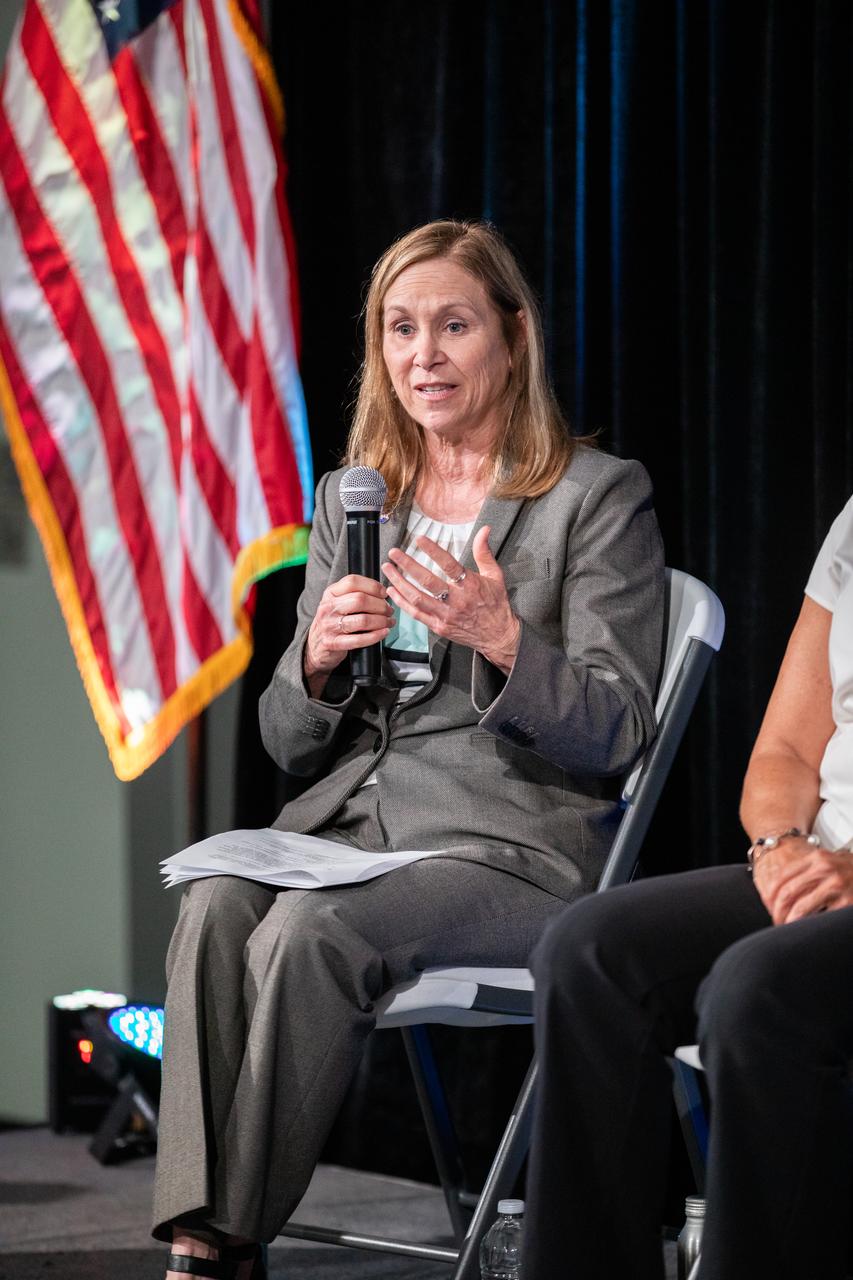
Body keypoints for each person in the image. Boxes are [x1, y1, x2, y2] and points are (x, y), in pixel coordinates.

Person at [153, 219, 665, 1280]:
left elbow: (618, 729)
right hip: (354, 831)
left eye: (453, 325)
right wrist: (316, 664)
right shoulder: (358, 496)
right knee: (213, 905)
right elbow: (287, 745)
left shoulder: (593, 497)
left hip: (509, 848)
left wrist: (504, 640)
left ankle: (218, 1244)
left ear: (511, 339)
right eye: (399, 329)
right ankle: (203, 1230)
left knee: (308, 932)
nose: (423, 354)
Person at [522, 496, 853, 1280]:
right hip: (817, 863)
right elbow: (782, 752)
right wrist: (776, 848)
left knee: (755, 988)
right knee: (589, 949)